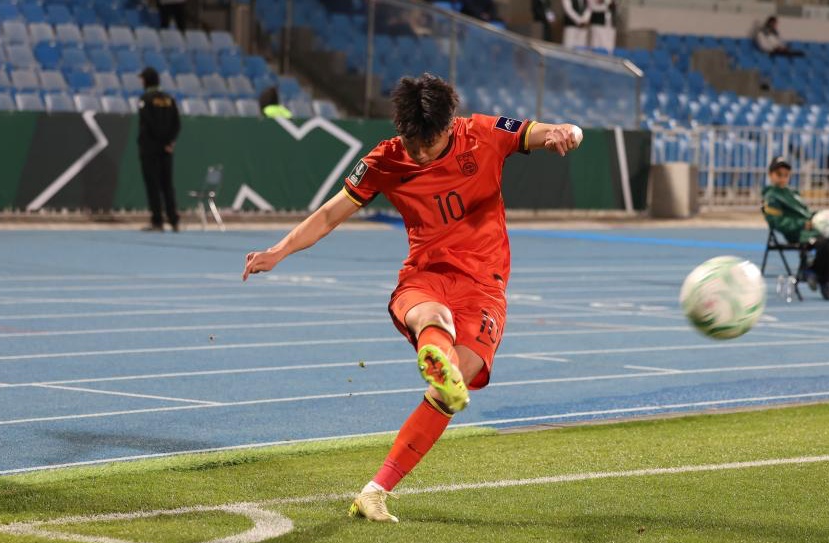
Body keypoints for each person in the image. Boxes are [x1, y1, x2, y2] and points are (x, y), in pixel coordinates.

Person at [241, 73, 582, 522]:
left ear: (450, 124)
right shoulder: (385, 159)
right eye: (411, 141)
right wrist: (278, 251)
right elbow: (328, 215)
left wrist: (566, 132)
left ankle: (374, 491)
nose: (419, 151)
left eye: (429, 141)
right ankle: (435, 354)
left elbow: (547, 131)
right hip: (426, 276)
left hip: (485, 286)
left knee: (452, 387)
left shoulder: (483, 133)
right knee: (433, 316)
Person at [762, 156, 829, 300]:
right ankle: (824, 281)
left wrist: (821, 218)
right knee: (823, 244)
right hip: (797, 234)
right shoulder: (771, 196)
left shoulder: (793, 193)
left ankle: (812, 270)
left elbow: (806, 214)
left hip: (811, 231)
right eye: (779, 174)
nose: (783, 178)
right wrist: (802, 224)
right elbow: (777, 223)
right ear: (771, 175)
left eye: (786, 175)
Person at [138, 67, 181, 232]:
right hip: (166, 149)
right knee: (167, 185)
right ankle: (174, 220)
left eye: (142, 79)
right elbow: (177, 123)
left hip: (150, 149)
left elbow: (149, 123)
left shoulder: (145, 99)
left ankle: (157, 221)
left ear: (147, 80)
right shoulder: (169, 99)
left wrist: (159, 142)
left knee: (153, 185)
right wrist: (169, 142)